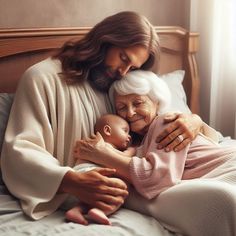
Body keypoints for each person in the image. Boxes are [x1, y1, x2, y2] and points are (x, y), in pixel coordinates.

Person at [1, 11, 205, 221]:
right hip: (76, 189)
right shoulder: (42, 78)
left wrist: (194, 121)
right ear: (104, 40)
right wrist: (72, 181)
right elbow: (20, 150)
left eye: (132, 67)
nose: (123, 71)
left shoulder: (118, 88)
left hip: (132, 183)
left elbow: (155, 121)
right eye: (123, 58)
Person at [74, 70, 236, 235]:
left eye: (138, 103)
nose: (129, 113)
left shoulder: (165, 122)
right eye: (122, 107)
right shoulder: (136, 143)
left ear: (156, 102)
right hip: (218, 174)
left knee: (224, 201)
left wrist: (102, 154)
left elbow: (155, 177)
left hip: (230, 168)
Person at [66, 114, 134, 225]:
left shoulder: (91, 142)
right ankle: (101, 210)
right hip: (92, 172)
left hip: (78, 174)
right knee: (122, 188)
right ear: (107, 130)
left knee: (89, 197)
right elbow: (128, 158)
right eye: (125, 131)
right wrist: (133, 149)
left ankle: (76, 210)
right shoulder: (101, 145)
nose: (129, 136)